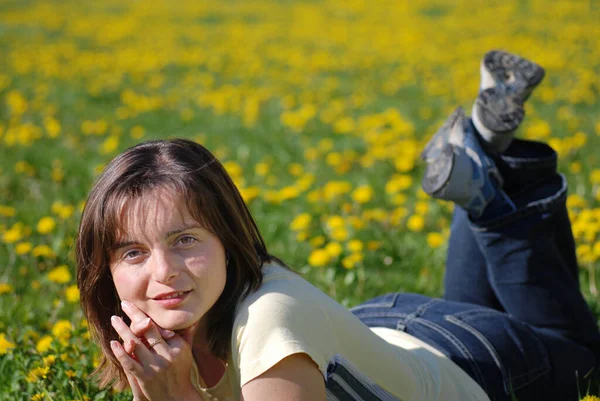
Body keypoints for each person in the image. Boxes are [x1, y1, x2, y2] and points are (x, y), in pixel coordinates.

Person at [76, 50, 600, 401]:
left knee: (584, 361)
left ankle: (494, 199)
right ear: (106, 270)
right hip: (384, 334)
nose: (163, 272)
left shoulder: (267, 327)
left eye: (185, 239)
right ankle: (481, 161)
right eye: (133, 253)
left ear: (229, 243)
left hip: (476, 364)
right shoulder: (156, 339)